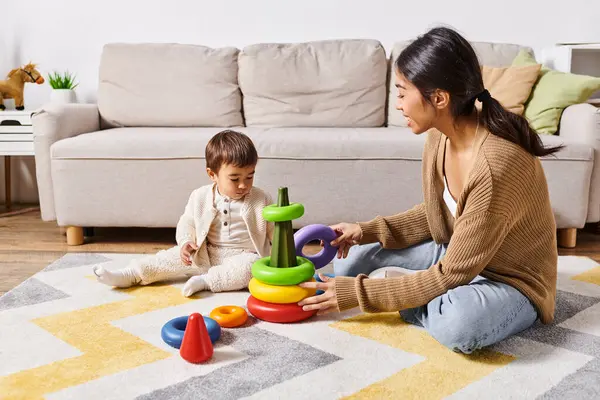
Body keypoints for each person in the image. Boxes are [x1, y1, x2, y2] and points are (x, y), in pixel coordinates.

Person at [298, 26, 562, 354]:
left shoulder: (495, 166)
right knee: (349, 264)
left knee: (457, 325)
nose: (398, 104)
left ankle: (414, 295)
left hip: (509, 280)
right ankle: (416, 290)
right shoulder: (440, 134)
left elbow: (453, 273)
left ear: (438, 98)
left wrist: (365, 295)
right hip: (456, 253)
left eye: (402, 92)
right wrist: (364, 231)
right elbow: (439, 212)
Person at [93, 130, 273, 297]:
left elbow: (275, 231)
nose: (243, 184)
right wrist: (186, 241)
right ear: (212, 174)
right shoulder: (200, 196)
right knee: (168, 258)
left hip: (243, 255)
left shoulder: (260, 198)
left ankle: (206, 281)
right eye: (235, 179)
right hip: (205, 253)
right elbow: (187, 221)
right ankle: (130, 274)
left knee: (252, 267)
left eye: (250, 176)